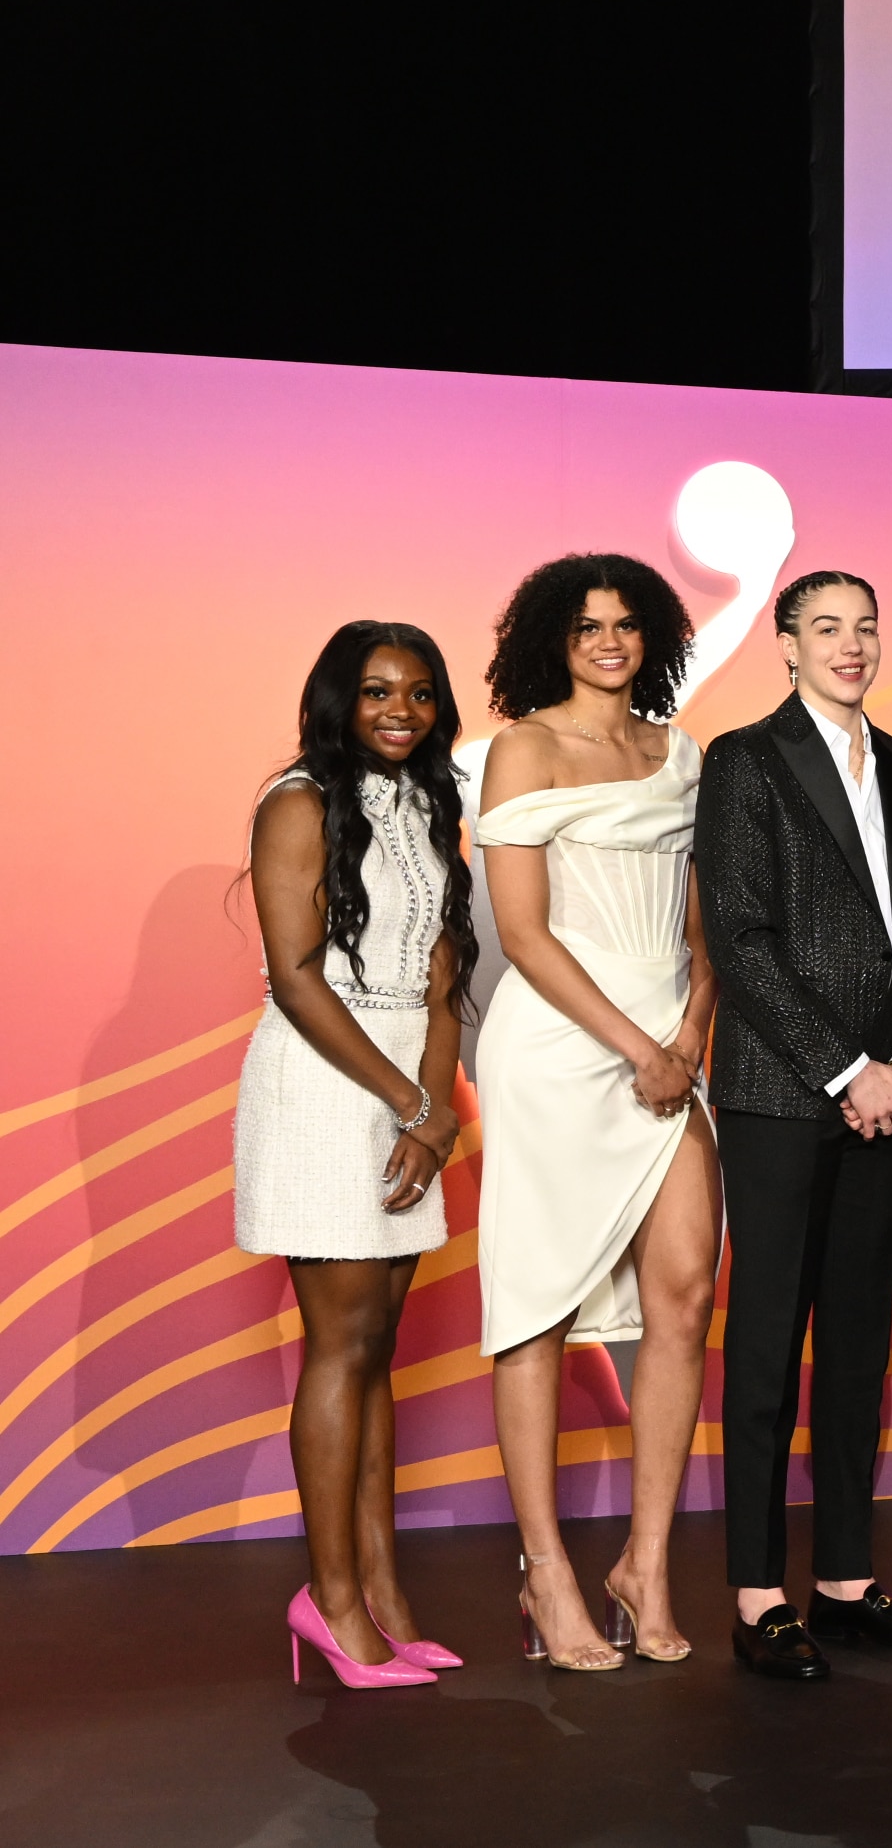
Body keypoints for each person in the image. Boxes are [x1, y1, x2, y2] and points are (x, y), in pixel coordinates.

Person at [697, 571, 892, 1683]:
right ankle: (758, 1590)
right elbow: (741, 935)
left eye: (865, 626)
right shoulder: (744, 761)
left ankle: (846, 1578)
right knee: (766, 1344)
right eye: (826, 628)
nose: (850, 645)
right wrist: (845, 1066)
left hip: (888, 1098)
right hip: (778, 1093)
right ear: (786, 642)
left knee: (859, 1340)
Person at [473, 554, 719, 1671]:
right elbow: (523, 932)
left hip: (672, 1043)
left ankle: (646, 1561)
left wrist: (691, 1033)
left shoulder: (684, 750)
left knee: (687, 1286)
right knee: (535, 1301)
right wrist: (638, 1046)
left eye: (626, 624)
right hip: (561, 1045)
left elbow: (706, 928)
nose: (610, 641)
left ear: (656, 633)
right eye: (587, 627)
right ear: (551, 641)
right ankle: (548, 1572)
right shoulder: (523, 745)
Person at [241, 623, 479, 1689]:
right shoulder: (297, 799)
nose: (400, 709)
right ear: (337, 698)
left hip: (407, 1089)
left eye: (421, 692)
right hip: (324, 1086)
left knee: (376, 1345)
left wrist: (436, 1105)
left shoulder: (428, 803)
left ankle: (381, 1589)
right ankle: (329, 1598)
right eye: (377, 690)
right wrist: (406, 1103)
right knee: (341, 1347)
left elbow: (438, 979)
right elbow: (298, 979)